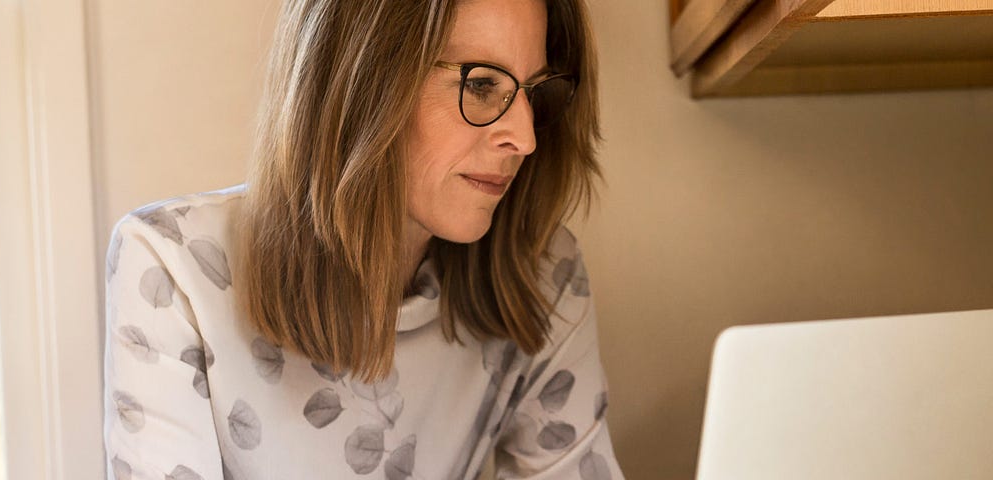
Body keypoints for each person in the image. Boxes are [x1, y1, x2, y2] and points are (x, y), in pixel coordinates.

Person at [101, 0, 623, 478]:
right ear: (361, 79)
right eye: (482, 84)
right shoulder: (173, 269)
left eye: (534, 92)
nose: (525, 138)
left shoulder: (539, 273)